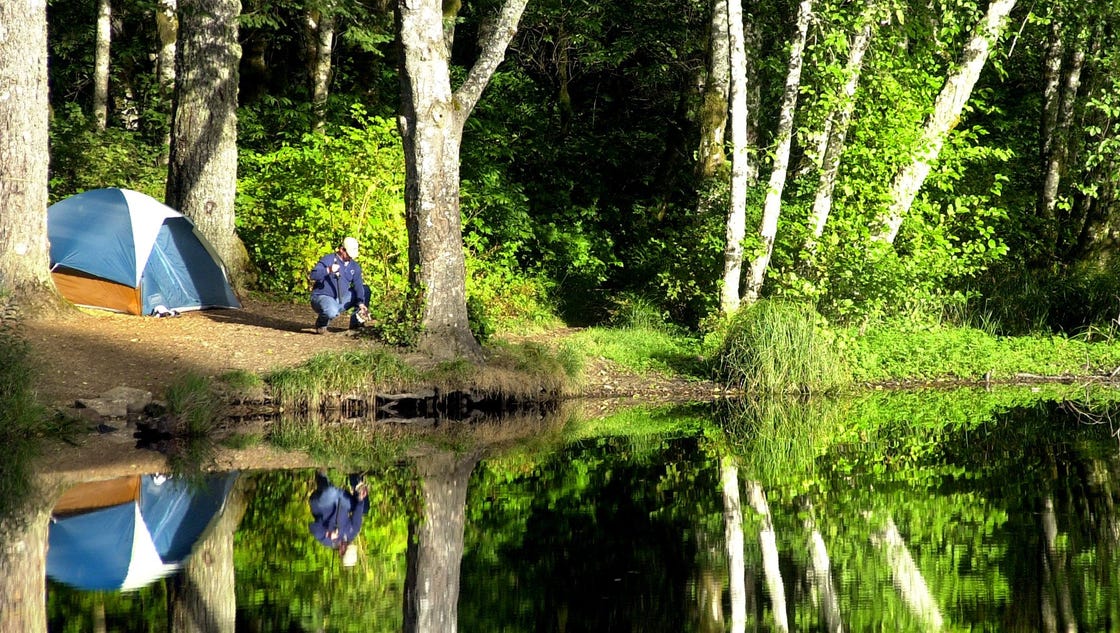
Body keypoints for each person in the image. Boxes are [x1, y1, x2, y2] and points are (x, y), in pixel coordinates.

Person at [309, 236, 371, 334]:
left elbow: (358, 285)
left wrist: (361, 303)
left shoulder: (354, 266)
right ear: (342, 250)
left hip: (341, 299)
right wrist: (328, 270)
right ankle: (321, 323)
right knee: (332, 311)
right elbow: (313, 275)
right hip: (322, 296)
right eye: (349, 254)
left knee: (365, 289)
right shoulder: (328, 259)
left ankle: (356, 325)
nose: (350, 258)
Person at [308, 469, 369, 567]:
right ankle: (354, 475)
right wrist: (360, 499)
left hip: (323, 504)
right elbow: (358, 512)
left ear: (341, 552)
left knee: (331, 492)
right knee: (365, 508)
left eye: (345, 549)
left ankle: (321, 475)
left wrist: (327, 533)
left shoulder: (328, 542)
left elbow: (312, 527)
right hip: (341, 501)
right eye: (349, 546)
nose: (347, 545)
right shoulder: (353, 532)